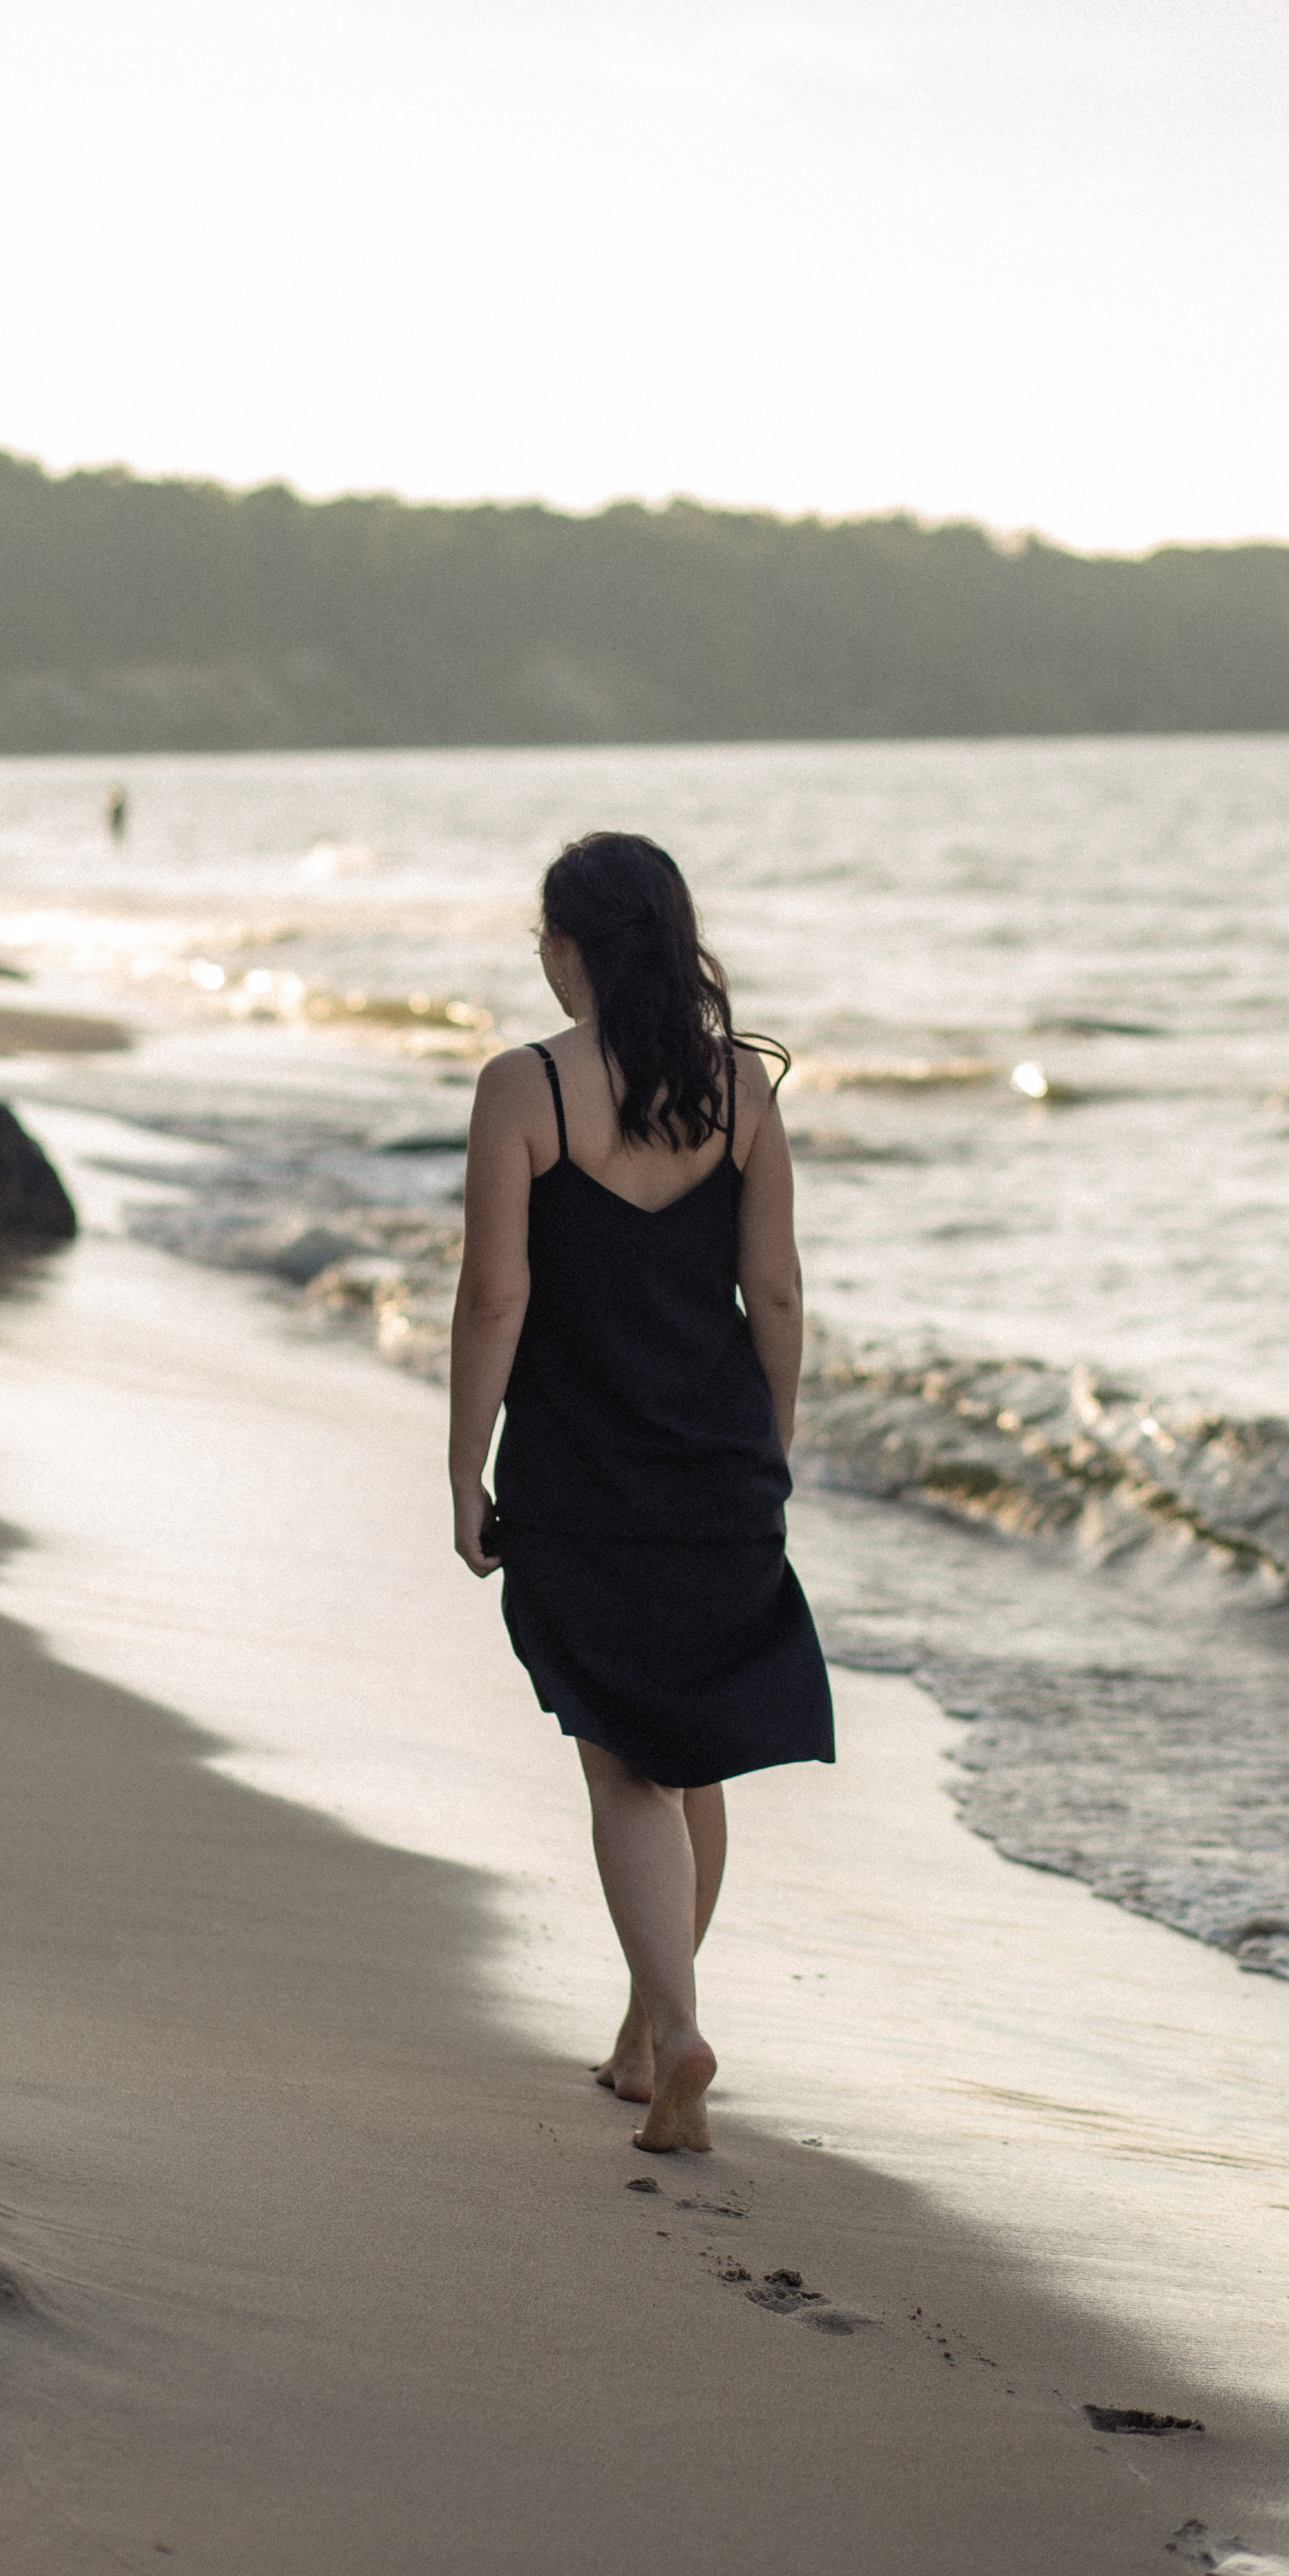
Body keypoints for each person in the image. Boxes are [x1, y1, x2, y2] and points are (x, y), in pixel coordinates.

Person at [449, 832, 834, 2155]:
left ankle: (673, 2036)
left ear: (569, 950)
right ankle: (640, 2032)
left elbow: (498, 1297)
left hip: (579, 1470)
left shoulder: (525, 1089)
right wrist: (766, 1451)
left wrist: (463, 1467)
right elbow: (775, 1294)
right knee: (694, 1755)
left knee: (624, 1766)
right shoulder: (745, 1093)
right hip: (717, 1466)